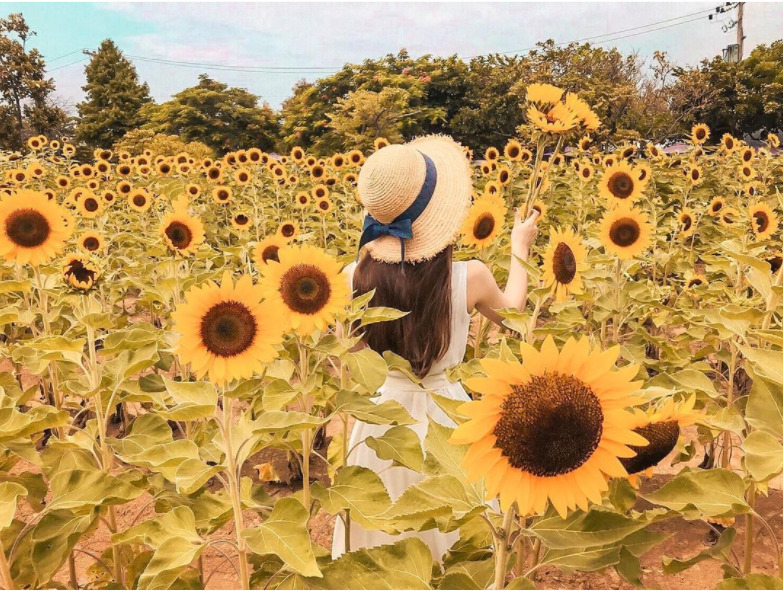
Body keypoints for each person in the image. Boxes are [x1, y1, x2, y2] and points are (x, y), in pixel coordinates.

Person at [331, 135, 539, 561]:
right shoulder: (470, 277)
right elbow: (515, 316)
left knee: (379, 544)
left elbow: (347, 357)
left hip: (379, 425)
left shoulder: (352, 277)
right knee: (455, 542)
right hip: (449, 421)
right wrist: (520, 248)